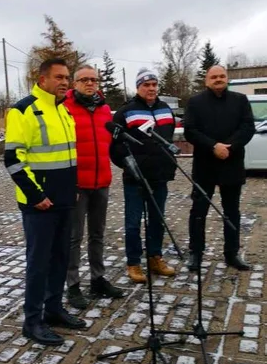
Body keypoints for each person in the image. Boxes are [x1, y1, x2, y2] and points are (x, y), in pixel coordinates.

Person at [4, 58, 86, 346]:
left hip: (65, 200)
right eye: (59, 77)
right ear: (42, 79)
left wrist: (73, 188)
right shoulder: (23, 110)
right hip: (39, 204)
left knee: (60, 259)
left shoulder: (63, 111)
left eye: (67, 77)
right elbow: (13, 159)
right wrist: (36, 195)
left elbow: (67, 157)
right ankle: (32, 321)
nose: (65, 82)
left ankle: (53, 310)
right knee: (39, 263)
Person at [64, 65, 125, 309]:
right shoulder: (65, 108)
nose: (90, 84)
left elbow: (109, 143)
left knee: (97, 235)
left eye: (94, 80)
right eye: (84, 80)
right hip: (77, 185)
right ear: (74, 83)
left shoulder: (104, 109)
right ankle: (73, 284)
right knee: (74, 237)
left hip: (102, 182)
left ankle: (98, 279)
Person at [184, 65, 255, 271]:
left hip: (231, 164)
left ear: (227, 78)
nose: (218, 79)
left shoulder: (240, 100)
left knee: (232, 211)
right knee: (199, 211)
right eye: (214, 77)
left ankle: (231, 253)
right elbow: (190, 131)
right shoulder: (195, 102)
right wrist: (213, 146)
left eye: (222, 76)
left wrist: (229, 148)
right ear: (206, 80)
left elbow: (247, 127)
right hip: (204, 165)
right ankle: (195, 253)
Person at [111, 67, 177, 283]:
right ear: (138, 87)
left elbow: (168, 140)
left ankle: (155, 258)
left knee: (157, 220)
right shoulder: (126, 111)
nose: (151, 88)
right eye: (146, 85)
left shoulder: (166, 109)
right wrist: (129, 166)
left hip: (160, 176)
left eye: (154, 85)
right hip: (135, 180)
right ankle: (134, 263)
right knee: (132, 223)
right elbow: (115, 148)